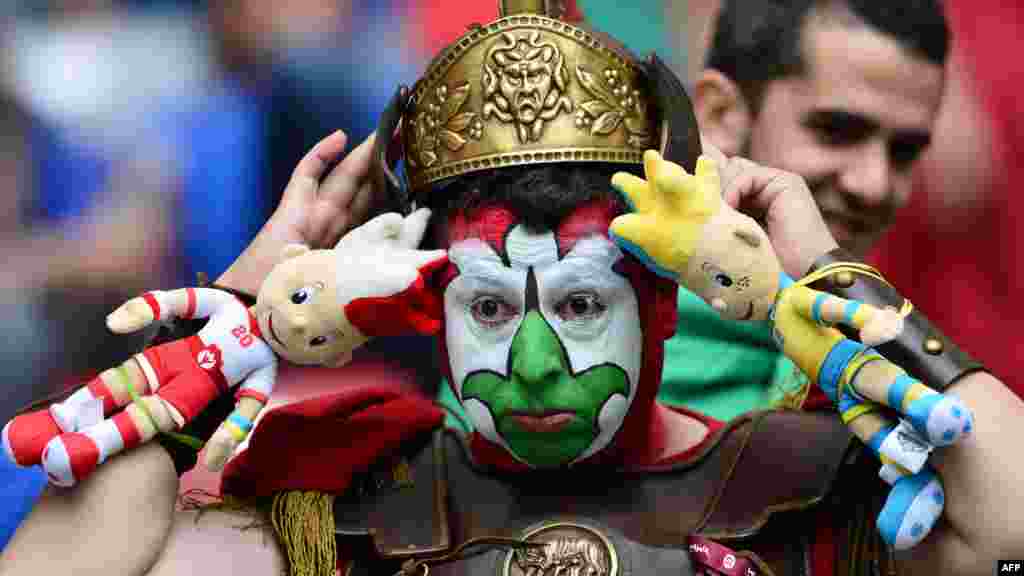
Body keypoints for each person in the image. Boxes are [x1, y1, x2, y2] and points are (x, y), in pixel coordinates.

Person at [3, 2, 1022, 576]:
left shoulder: (799, 486)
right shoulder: (344, 512)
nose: (533, 365)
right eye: (488, 307)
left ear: (660, 304)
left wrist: (826, 274)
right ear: (431, 315)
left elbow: (1013, 526)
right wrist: (237, 308)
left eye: (580, 304)